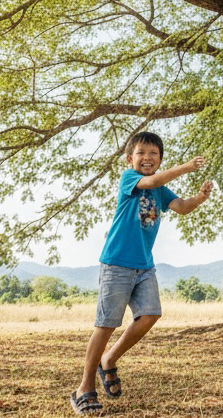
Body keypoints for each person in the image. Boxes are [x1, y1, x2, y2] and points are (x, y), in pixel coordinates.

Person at [70, 131, 213, 414]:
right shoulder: (130, 179)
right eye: (141, 153)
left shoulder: (160, 190)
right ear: (130, 159)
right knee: (106, 324)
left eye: (153, 154)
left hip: (144, 265)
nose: (147, 158)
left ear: (160, 159)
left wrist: (199, 197)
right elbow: (152, 181)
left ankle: (109, 359)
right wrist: (186, 167)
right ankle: (84, 388)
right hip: (117, 263)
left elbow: (181, 207)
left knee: (150, 314)